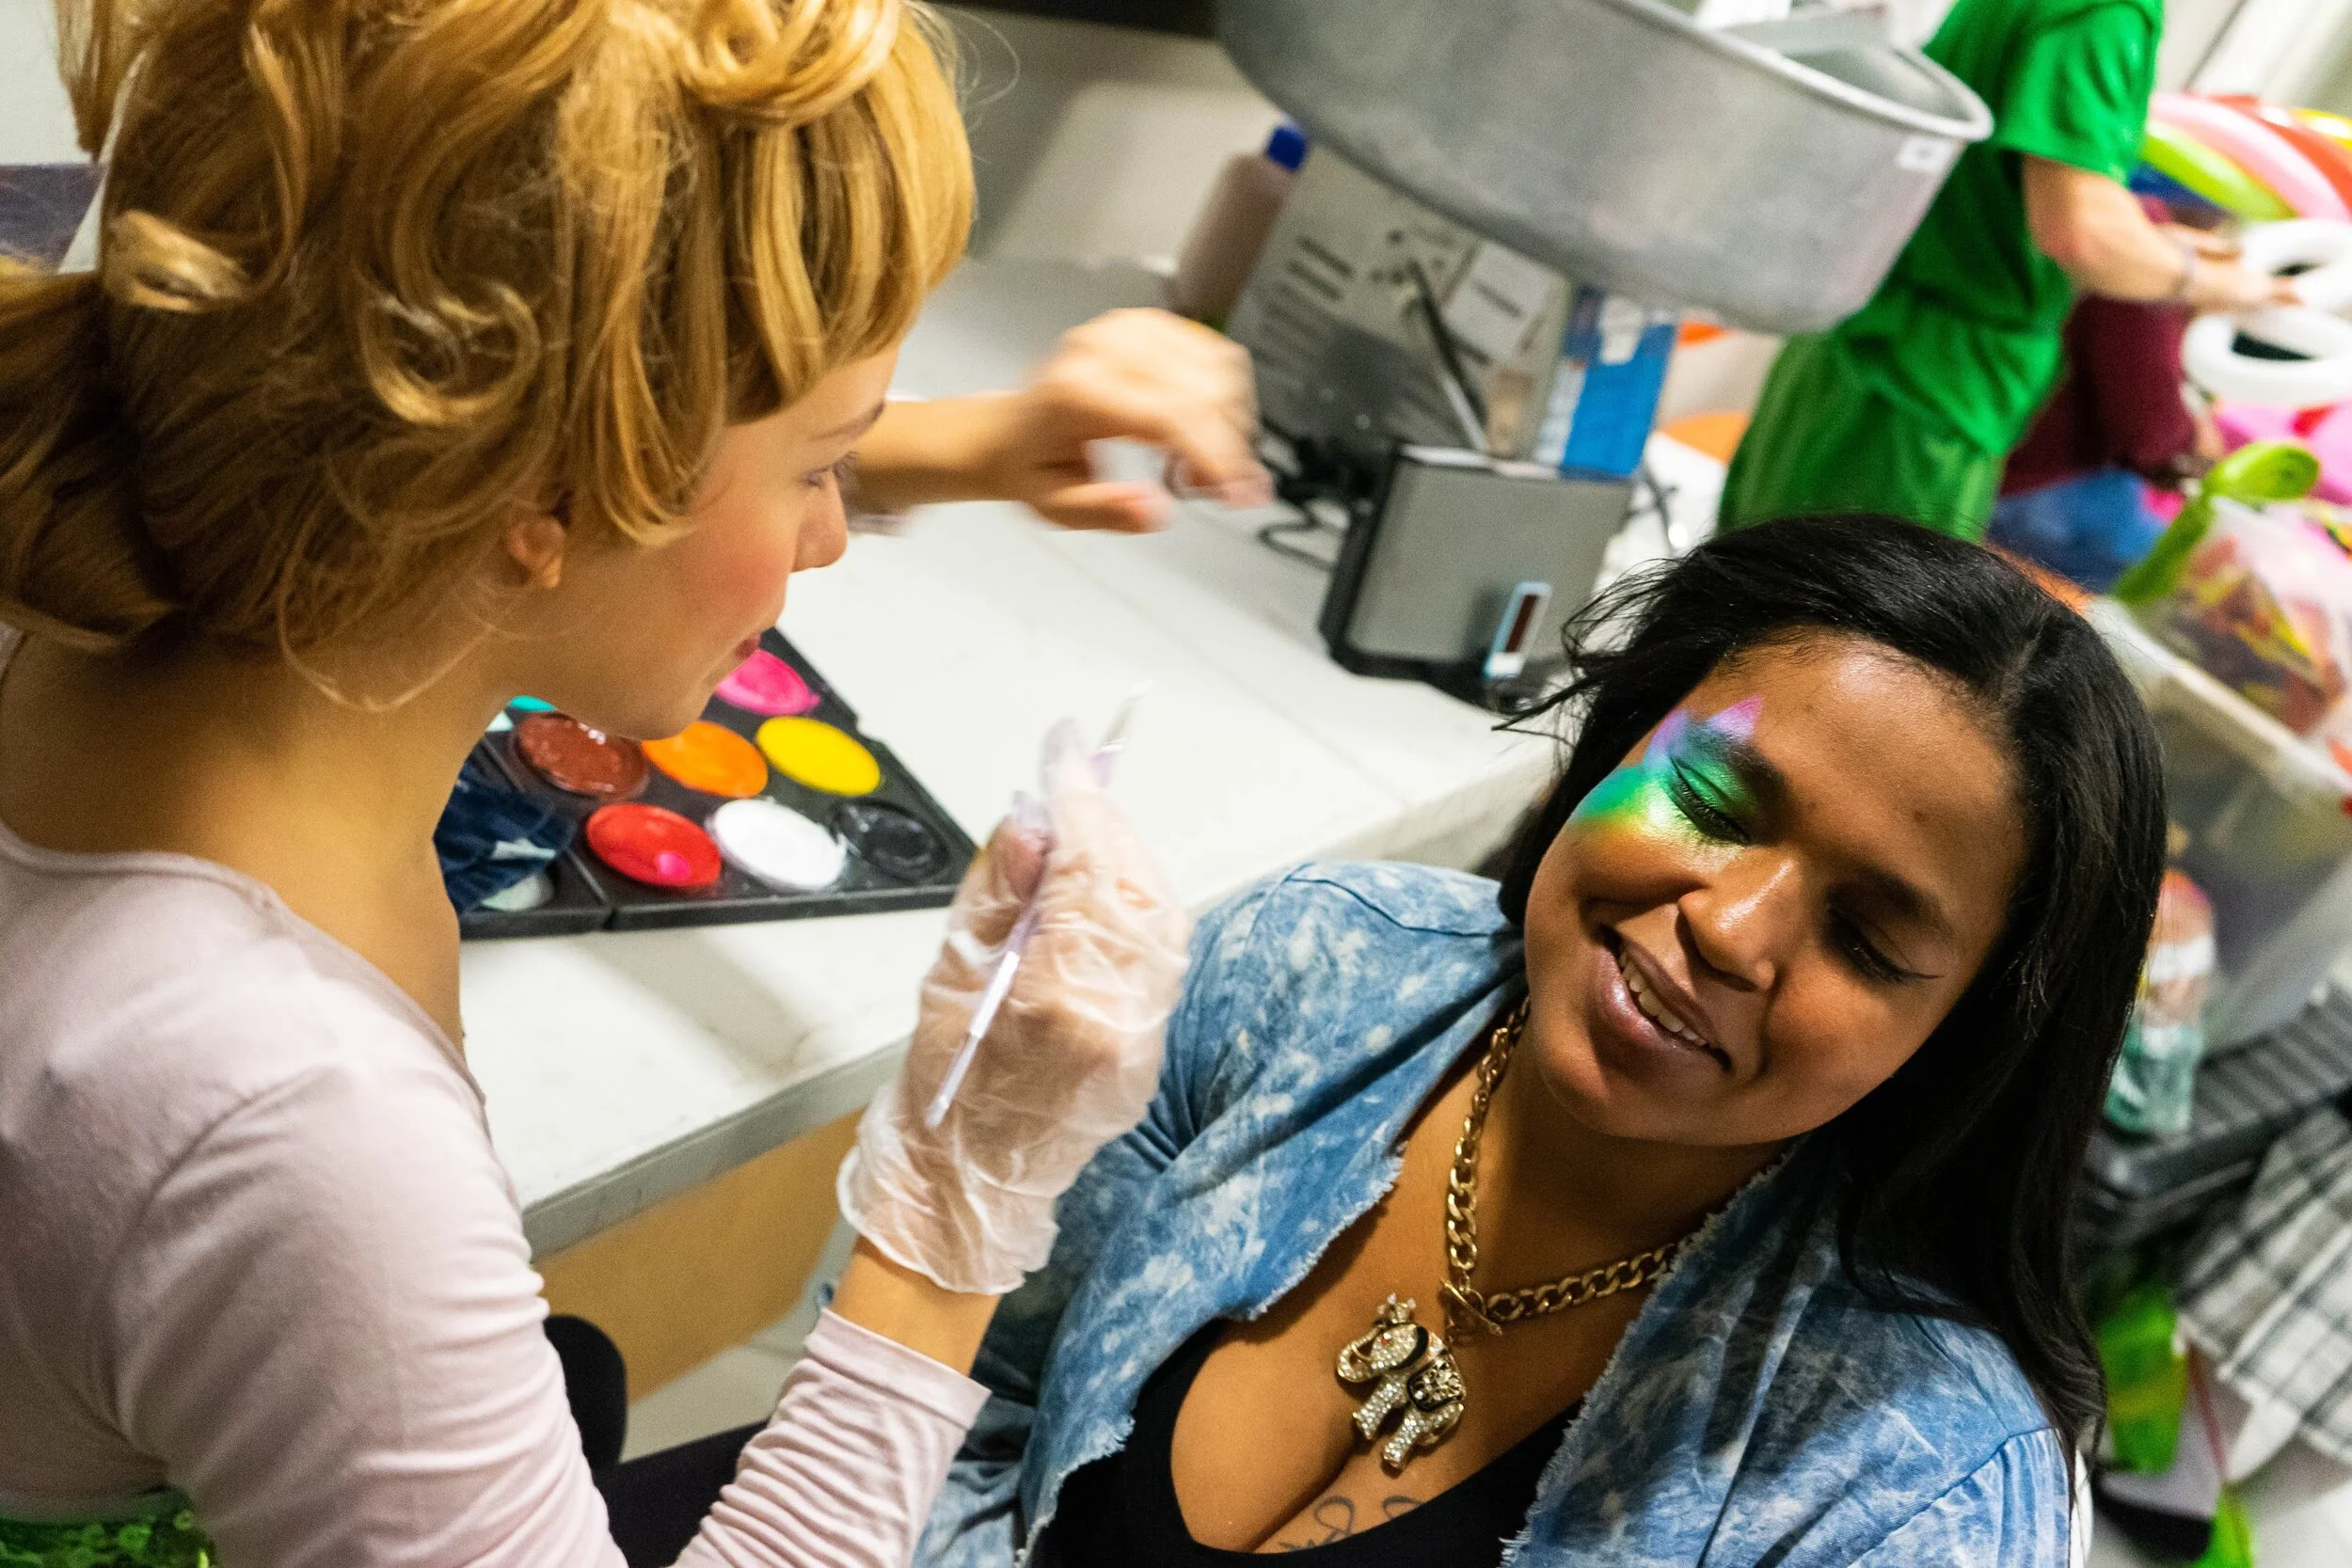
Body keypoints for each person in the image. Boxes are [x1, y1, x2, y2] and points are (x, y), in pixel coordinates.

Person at [0, 1, 1260, 1564]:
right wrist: (953, 1206)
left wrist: (974, 445)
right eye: (818, 468)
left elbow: (596, 462)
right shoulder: (297, 1134)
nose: (820, 536)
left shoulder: (161, 534)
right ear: (543, 500)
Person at [915, 515, 2167, 1565]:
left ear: (1961, 1036)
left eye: (1865, 937)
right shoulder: (1306, 965)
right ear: (1621, 738)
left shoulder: (1912, 1485)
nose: (1731, 929)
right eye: (1713, 798)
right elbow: (960, 1408)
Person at [1718, 0, 2290, 541]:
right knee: (1844, 625)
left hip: (1859, 344)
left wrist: (2153, 242)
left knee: (1734, 599)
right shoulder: (2106, 11)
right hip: (1931, 390)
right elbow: (2080, 230)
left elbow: (2010, 186)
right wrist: (2219, 283)